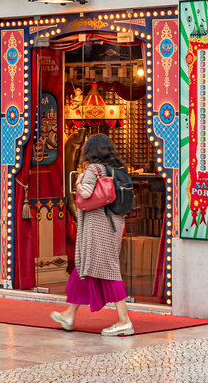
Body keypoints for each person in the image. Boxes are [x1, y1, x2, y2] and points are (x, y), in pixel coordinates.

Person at [51, 133, 133, 336]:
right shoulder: (116, 169)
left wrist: (78, 181)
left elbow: (86, 193)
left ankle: (124, 321)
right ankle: (69, 315)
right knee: (85, 268)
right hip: (113, 223)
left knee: (107, 271)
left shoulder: (94, 169)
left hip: (99, 227)